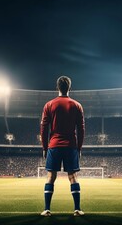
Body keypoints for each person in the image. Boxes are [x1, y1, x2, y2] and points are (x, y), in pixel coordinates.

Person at [40, 76, 85, 217]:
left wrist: (45, 147)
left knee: (50, 177)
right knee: (73, 177)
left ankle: (47, 209)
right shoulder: (77, 105)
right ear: (70, 88)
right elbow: (81, 129)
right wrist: (79, 148)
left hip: (54, 145)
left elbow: (43, 128)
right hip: (71, 145)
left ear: (57, 87)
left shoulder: (49, 105)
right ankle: (77, 209)